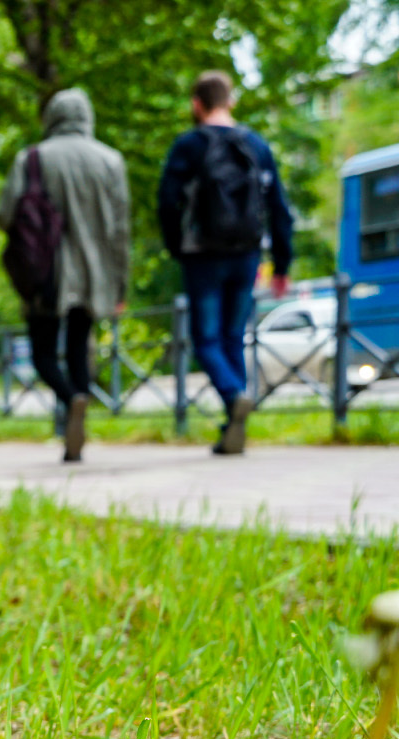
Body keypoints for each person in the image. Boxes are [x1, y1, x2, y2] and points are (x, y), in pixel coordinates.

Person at [157, 70, 295, 456]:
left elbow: (167, 202)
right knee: (233, 337)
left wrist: (176, 248)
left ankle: (234, 396)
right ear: (230, 101)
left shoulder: (189, 145)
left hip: (202, 255)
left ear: (196, 105)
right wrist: (281, 264)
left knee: (206, 341)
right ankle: (235, 421)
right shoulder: (256, 145)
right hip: (246, 255)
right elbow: (280, 210)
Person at [0, 88, 130, 464]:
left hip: (46, 273)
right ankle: (78, 421)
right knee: (77, 347)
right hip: (93, 273)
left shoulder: (33, 158)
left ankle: (70, 400)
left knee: (42, 352)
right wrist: (120, 283)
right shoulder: (111, 161)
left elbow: (5, 214)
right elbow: (121, 230)